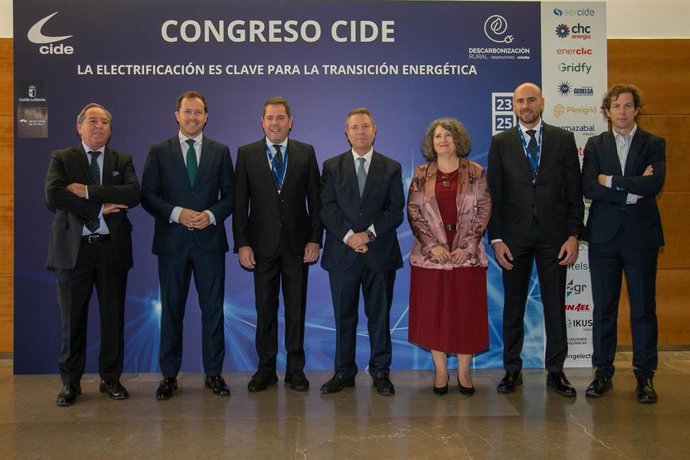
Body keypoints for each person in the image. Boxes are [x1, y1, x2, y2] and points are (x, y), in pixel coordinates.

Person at [487, 82, 584, 397]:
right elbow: (495, 194)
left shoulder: (563, 139)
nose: (525, 105)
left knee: (555, 306)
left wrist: (573, 235)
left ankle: (556, 372)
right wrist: (497, 238)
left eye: (531, 100)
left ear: (542, 103)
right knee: (513, 306)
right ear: (514, 106)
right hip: (513, 239)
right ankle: (512, 370)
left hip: (555, 238)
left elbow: (574, 190)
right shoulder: (500, 142)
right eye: (520, 101)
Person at [141, 91, 235, 400]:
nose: (192, 117)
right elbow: (148, 194)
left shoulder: (220, 151)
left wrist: (209, 216)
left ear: (206, 116)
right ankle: (169, 376)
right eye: (187, 112)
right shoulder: (158, 151)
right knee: (171, 310)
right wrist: (177, 213)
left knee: (213, 311)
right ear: (177, 115)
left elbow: (231, 196)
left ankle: (214, 374)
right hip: (172, 243)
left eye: (198, 112)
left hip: (209, 243)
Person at [45, 103, 140, 406]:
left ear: (110, 129)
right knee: (72, 320)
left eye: (104, 122)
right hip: (73, 253)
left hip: (111, 251)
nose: (99, 126)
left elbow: (132, 194)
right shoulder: (62, 158)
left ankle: (110, 379)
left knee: (113, 319)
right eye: (92, 120)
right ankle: (70, 382)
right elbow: (54, 195)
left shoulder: (121, 159)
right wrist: (99, 208)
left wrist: (86, 192)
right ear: (79, 126)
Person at [582, 84, 665, 403]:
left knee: (644, 309)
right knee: (604, 308)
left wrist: (612, 181)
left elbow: (655, 183)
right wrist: (633, 190)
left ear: (637, 109)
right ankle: (603, 372)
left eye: (628, 106)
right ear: (606, 111)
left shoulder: (654, 143)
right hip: (603, 237)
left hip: (641, 237)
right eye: (615, 106)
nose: (622, 112)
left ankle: (645, 377)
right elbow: (590, 186)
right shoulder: (595, 144)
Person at [233, 96, 322, 393]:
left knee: (296, 310)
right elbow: (239, 203)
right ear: (262, 122)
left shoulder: (306, 153)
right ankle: (266, 369)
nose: (275, 123)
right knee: (265, 310)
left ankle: (295, 370)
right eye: (270, 118)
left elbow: (316, 201)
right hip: (261, 248)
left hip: (298, 246)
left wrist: (314, 239)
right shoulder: (246, 154)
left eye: (280, 118)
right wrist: (242, 244)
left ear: (290, 121)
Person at [319, 108, 404, 396]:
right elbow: (326, 207)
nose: (360, 131)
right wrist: (349, 237)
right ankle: (344, 371)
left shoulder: (391, 167)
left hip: (379, 254)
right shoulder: (331, 166)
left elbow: (395, 211)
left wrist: (366, 235)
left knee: (379, 316)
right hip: (342, 255)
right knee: (344, 316)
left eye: (365, 126)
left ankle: (380, 372)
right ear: (346, 132)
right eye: (354, 127)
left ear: (375, 129)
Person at [407, 118, 491, 396]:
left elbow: (484, 209)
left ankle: (464, 374)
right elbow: (414, 212)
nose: (442, 140)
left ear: (459, 140)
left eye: (448, 135)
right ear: (431, 143)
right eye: (437, 136)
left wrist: (467, 245)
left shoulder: (476, 171)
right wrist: (433, 247)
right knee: (434, 315)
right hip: (432, 257)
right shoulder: (421, 173)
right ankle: (441, 373)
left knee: (466, 314)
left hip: (467, 254)